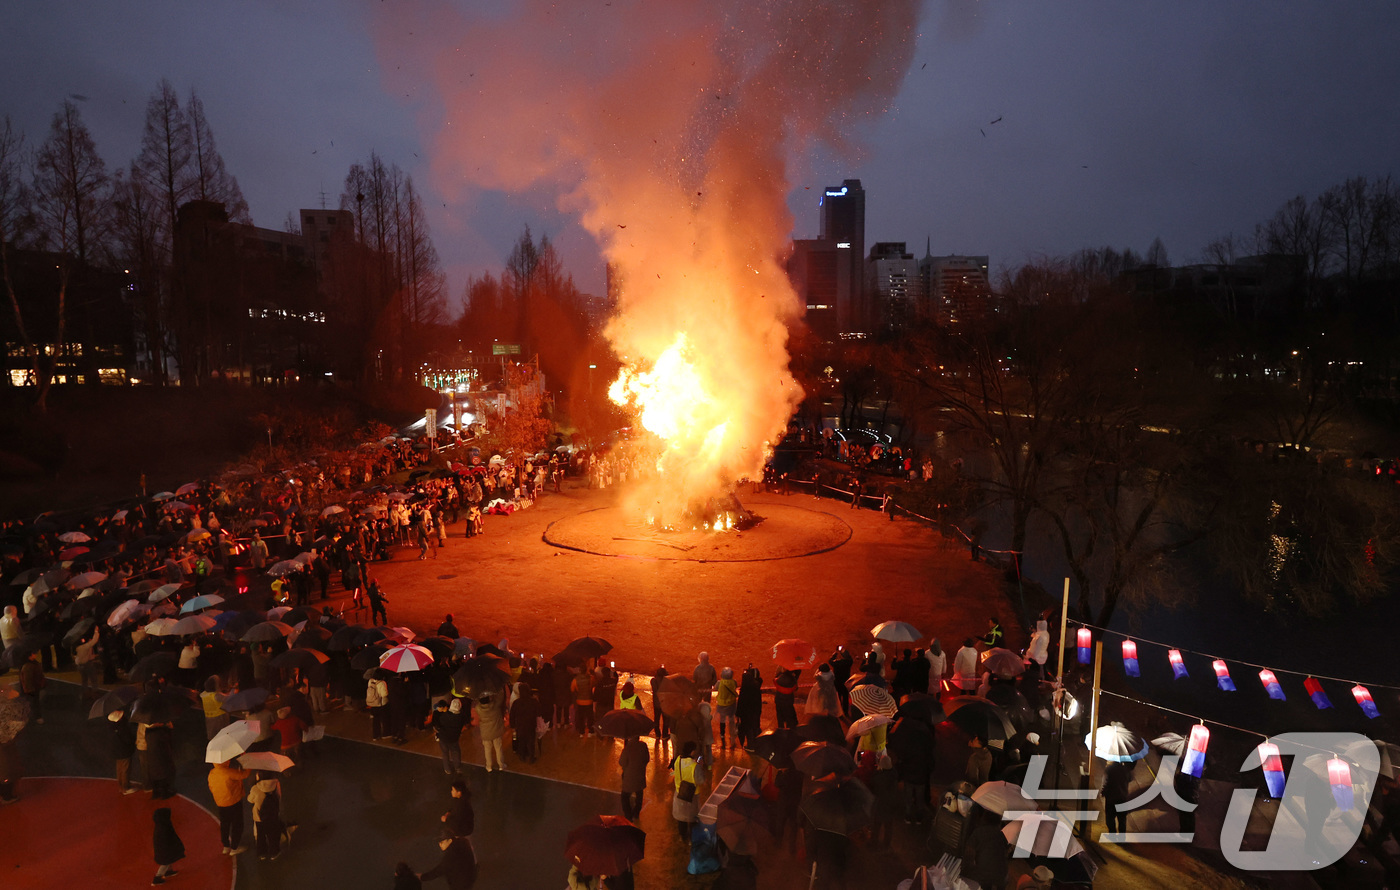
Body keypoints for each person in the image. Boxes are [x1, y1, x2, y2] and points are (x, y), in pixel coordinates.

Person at [208, 758, 251, 855]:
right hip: (234, 802)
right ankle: (235, 847)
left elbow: (211, 787)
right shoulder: (229, 772)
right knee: (237, 824)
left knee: (225, 825)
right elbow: (244, 775)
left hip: (221, 803)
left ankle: (226, 846)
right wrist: (249, 766)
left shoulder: (212, 773)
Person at [671, 741, 707, 843]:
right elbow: (701, 780)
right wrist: (700, 766)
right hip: (692, 795)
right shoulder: (694, 766)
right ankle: (692, 838)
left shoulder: (678, 759)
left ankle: (682, 836)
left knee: (681, 817)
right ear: (692, 751)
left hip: (679, 792)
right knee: (692, 818)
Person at [248, 771, 286, 860]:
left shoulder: (255, 788)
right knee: (273, 835)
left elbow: (250, 800)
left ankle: (262, 853)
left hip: (259, 817)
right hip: (273, 815)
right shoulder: (276, 784)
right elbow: (279, 797)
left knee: (261, 836)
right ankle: (274, 853)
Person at [151, 807, 185, 885]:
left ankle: (168, 871)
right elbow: (168, 837)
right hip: (165, 848)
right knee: (166, 862)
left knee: (168, 860)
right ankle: (158, 877)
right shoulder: (164, 827)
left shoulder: (160, 826)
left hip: (164, 848)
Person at [107, 710, 138, 794]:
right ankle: (125, 787)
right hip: (124, 751)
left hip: (117, 751)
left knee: (120, 769)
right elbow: (128, 739)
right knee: (125, 769)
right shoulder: (123, 728)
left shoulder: (112, 728)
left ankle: (121, 785)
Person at [619, 734, 649, 820]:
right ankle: (636, 812)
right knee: (639, 794)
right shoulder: (643, 745)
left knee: (625, 797)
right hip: (640, 774)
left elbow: (622, 762)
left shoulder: (628, 748)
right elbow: (646, 759)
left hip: (629, 776)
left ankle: (628, 815)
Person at [432, 698, 466, 774]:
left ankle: (447, 769)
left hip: (443, 738)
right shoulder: (461, 717)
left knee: (445, 753)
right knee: (456, 752)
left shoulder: (444, 716)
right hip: (454, 738)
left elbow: (439, 725)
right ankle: (457, 767)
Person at [476, 689, 506, 772]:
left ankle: (489, 766)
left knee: (487, 749)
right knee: (498, 748)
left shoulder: (478, 708)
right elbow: (501, 696)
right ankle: (501, 765)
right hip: (496, 730)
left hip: (485, 732)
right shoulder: (495, 705)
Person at [509, 683, 540, 763]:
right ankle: (531, 757)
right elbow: (538, 712)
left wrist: (512, 725)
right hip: (531, 724)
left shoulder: (516, 702)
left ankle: (522, 756)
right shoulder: (533, 701)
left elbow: (512, 715)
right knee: (531, 741)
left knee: (521, 741)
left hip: (520, 725)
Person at [1102, 759, 1134, 836]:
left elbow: (1105, 783)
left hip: (1111, 798)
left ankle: (1112, 835)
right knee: (1122, 819)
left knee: (1110, 818)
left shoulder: (1109, 769)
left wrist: (1103, 792)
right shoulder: (1125, 769)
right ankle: (1122, 837)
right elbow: (1130, 778)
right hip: (1123, 798)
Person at [713, 667, 738, 748]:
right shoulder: (734, 682)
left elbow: (715, 688)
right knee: (731, 720)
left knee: (722, 720)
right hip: (731, 704)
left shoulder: (719, 683)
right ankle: (732, 735)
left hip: (721, 704)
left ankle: (722, 734)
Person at [18, 650, 44, 724]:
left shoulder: (32, 664)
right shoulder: (28, 666)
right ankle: (36, 716)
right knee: (33, 703)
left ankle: (29, 716)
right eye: (33, 653)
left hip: (34, 687)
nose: (35, 654)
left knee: (32, 702)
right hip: (32, 688)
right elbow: (27, 679)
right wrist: (29, 689)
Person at [366, 670, 390, 740]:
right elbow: (384, 694)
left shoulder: (370, 681)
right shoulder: (382, 683)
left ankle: (376, 735)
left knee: (375, 720)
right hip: (381, 704)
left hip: (373, 704)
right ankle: (386, 734)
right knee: (384, 719)